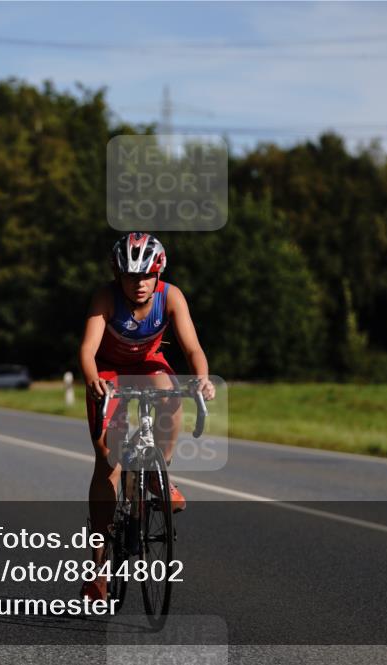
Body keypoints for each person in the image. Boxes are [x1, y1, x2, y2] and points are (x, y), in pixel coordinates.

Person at [78, 232, 216, 601]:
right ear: (117, 274)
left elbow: (192, 348)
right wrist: (93, 382)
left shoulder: (170, 297)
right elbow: (88, 351)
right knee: (108, 462)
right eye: (130, 276)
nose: (138, 284)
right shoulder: (105, 298)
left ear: (158, 275)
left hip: (148, 364)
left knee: (171, 394)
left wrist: (201, 378)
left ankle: (160, 476)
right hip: (107, 372)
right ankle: (99, 569)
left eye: (146, 276)